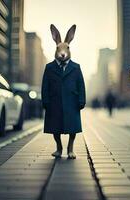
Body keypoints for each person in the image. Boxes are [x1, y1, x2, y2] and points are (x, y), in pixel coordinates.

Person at [42, 24, 86, 159]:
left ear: (69, 48)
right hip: (54, 102)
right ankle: (59, 148)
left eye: (66, 48)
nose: (62, 52)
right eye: (59, 48)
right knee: (55, 127)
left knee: (72, 127)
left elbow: (81, 85)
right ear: (56, 49)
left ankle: (70, 148)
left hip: (72, 102)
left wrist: (81, 100)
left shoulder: (76, 67)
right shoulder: (49, 68)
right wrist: (45, 101)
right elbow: (45, 86)